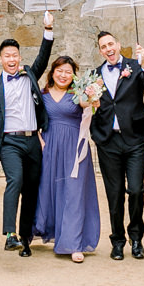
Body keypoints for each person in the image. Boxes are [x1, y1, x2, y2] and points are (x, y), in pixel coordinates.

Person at [0, 11, 54, 256]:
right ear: (0, 59)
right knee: (15, 180)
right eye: (7, 56)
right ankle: (9, 233)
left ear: (19, 57)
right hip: (9, 141)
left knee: (31, 189)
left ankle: (24, 239)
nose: (11, 59)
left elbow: (43, 59)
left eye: (15, 55)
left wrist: (48, 30)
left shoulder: (29, 75)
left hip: (32, 139)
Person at [89, 30, 144, 260]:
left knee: (136, 189)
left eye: (111, 44)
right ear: (100, 51)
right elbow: (91, 104)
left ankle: (136, 238)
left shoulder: (135, 66)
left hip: (135, 138)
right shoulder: (94, 75)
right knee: (114, 194)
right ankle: (117, 240)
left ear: (118, 45)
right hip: (108, 141)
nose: (108, 49)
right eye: (103, 46)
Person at [33, 56, 101, 263]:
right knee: (49, 190)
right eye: (60, 70)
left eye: (68, 71)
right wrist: (39, 141)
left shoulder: (77, 93)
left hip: (74, 147)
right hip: (49, 146)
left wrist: (93, 95)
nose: (63, 75)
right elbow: (33, 119)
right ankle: (50, 231)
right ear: (52, 72)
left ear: (73, 75)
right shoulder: (42, 95)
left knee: (74, 192)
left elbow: (86, 103)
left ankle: (73, 243)